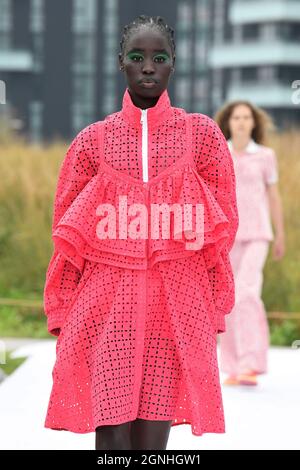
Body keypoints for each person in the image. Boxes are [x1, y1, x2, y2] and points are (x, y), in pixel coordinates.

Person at [43, 15, 238, 450]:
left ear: (172, 66)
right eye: (137, 57)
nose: (148, 67)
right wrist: (61, 306)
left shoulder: (201, 136)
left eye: (159, 58)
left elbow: (222, 228)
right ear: (121, 63)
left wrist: (212, 303)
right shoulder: (92, 141)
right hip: (106, 307)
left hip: (176, 309)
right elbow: (66, 232)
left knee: (153, 444)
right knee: (111, 441)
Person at [214, 101, 285, 386]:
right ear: (229, 122)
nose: (241, 122)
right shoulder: (220, 154)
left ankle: (252, 362)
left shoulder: (266, 156)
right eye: (236, 117)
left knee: (246, 293)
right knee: (228, 299)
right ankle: (233, 366)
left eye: (246, 117)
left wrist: (280, 233)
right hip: (226, 237)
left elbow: (274, 197)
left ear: (253, 122)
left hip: (257, 234)